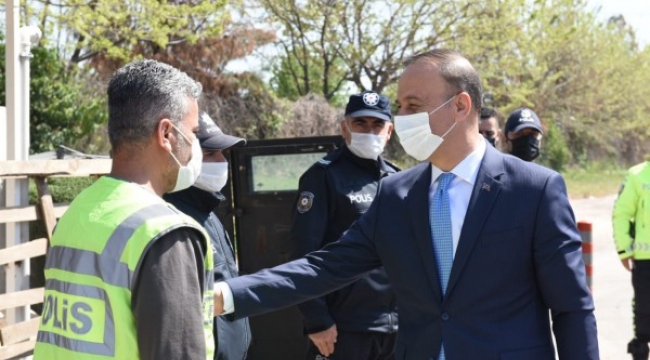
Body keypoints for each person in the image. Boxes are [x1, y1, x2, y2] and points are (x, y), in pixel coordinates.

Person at [213, 49, 599, 359]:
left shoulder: (534, 189)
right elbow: (324, 266)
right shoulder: (396, 194)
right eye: (399, 105)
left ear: (461, 106)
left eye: (413, 105)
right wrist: (227, 294)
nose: (401, 117)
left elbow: (571, 308)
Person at [34, 59, 216, 360]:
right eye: (193, 132)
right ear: (167, 134)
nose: (195, 144)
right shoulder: (165, 232)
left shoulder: (79, 210)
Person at [289, 90, 399, 359]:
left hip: (396, 328)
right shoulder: (323, 177)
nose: (369, 131)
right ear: (344, 128)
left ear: (389, 131)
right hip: (343, 328)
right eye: (360, 123)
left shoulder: (397, 179)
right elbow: (304, 254)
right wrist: (317, 320)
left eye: (377, 125)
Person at [164, 111, 250, 360]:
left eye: (223, 153)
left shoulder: (208, 210)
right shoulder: (173, 215)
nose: (222, 161)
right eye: (210, 153)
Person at [613, 162, 650, 360]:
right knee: (644, 315)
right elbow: (622, 213)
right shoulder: (637, 175)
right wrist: (624, 249)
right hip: (645, 261)